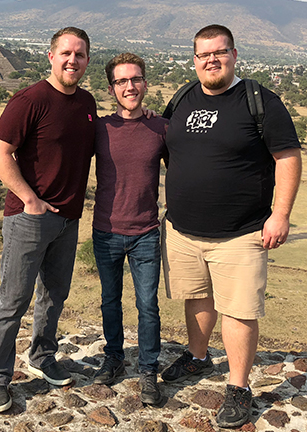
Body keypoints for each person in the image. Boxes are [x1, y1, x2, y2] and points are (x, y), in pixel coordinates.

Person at [161, 24, 302, 428]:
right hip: (184, 230)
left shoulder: (260, 101)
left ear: (234, 54)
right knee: (197, 299)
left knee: (239, 312)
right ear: (194, 59)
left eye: (219, 52)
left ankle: (239, 387)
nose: (211, 60)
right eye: (203, 54)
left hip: (241, 232)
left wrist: (280, 213)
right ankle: (198, 357)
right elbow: (175, 150)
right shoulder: (183, 98)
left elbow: (288, 158)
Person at [0, 27, 96, 413]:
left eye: (80, 54)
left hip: (68, 219)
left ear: (86, 60)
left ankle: (42, 356)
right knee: (13, 300)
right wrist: (28, 197)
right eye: (66, 53)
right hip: (29, 219)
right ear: (51, 56)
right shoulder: (30, 99)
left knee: (54, 296)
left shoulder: (86, 101)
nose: (72, 60)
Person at [92, 53, 168, 405]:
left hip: (146, 232)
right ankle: (114, 358)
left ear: (145, 83)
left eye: (135, 79)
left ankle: (149, 370)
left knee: (147, 305)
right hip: (106, 229)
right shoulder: (101, 128)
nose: (129, 86)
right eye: (121, 81)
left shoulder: (160, 127)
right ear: (111, 89)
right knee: (110, 301)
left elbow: (186, 167)